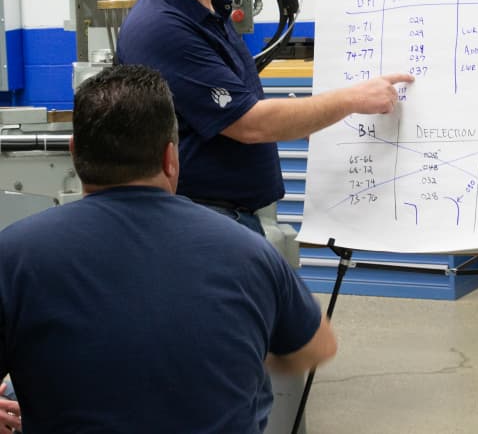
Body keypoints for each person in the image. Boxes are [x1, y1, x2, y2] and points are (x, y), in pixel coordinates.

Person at [0, 65, 336, 433]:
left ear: (75, 154)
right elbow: (317, 347)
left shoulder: (15, 255)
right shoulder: (250, 252)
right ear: (170, 158)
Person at [116, 0, 414, 235]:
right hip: (197, 223)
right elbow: (250, 124)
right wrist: (352, 99)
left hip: (222, 219)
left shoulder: (207, 10)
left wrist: (305, 118)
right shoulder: (162, 26)